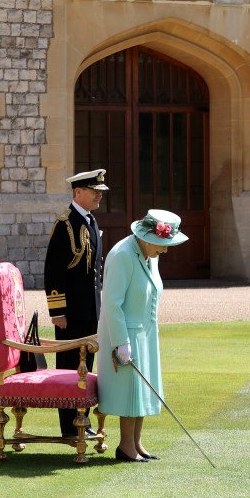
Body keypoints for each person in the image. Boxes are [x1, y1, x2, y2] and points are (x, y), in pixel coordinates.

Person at [96, 209, 188, 463]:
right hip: (125, 335)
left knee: (143, 391)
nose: (165, 250)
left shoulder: (149, 254)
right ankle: (125, 446)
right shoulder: (122, 255)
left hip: (145, 333)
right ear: (147, 238)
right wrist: (120, 342)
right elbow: (112, 304)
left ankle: (137, 442)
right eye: (162, 244)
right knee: (131, 392)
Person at [44, 168, 106, 437]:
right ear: (78, 192)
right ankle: (70, 427)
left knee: (86, 369)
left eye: (100, 192)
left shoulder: (90, 221)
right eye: (94, 192)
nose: (98, 197)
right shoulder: (65, 224)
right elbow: (54, 271)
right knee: (69, 368)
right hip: (70, 313)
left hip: (90, 310)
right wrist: (57, 312)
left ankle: (84, 422)